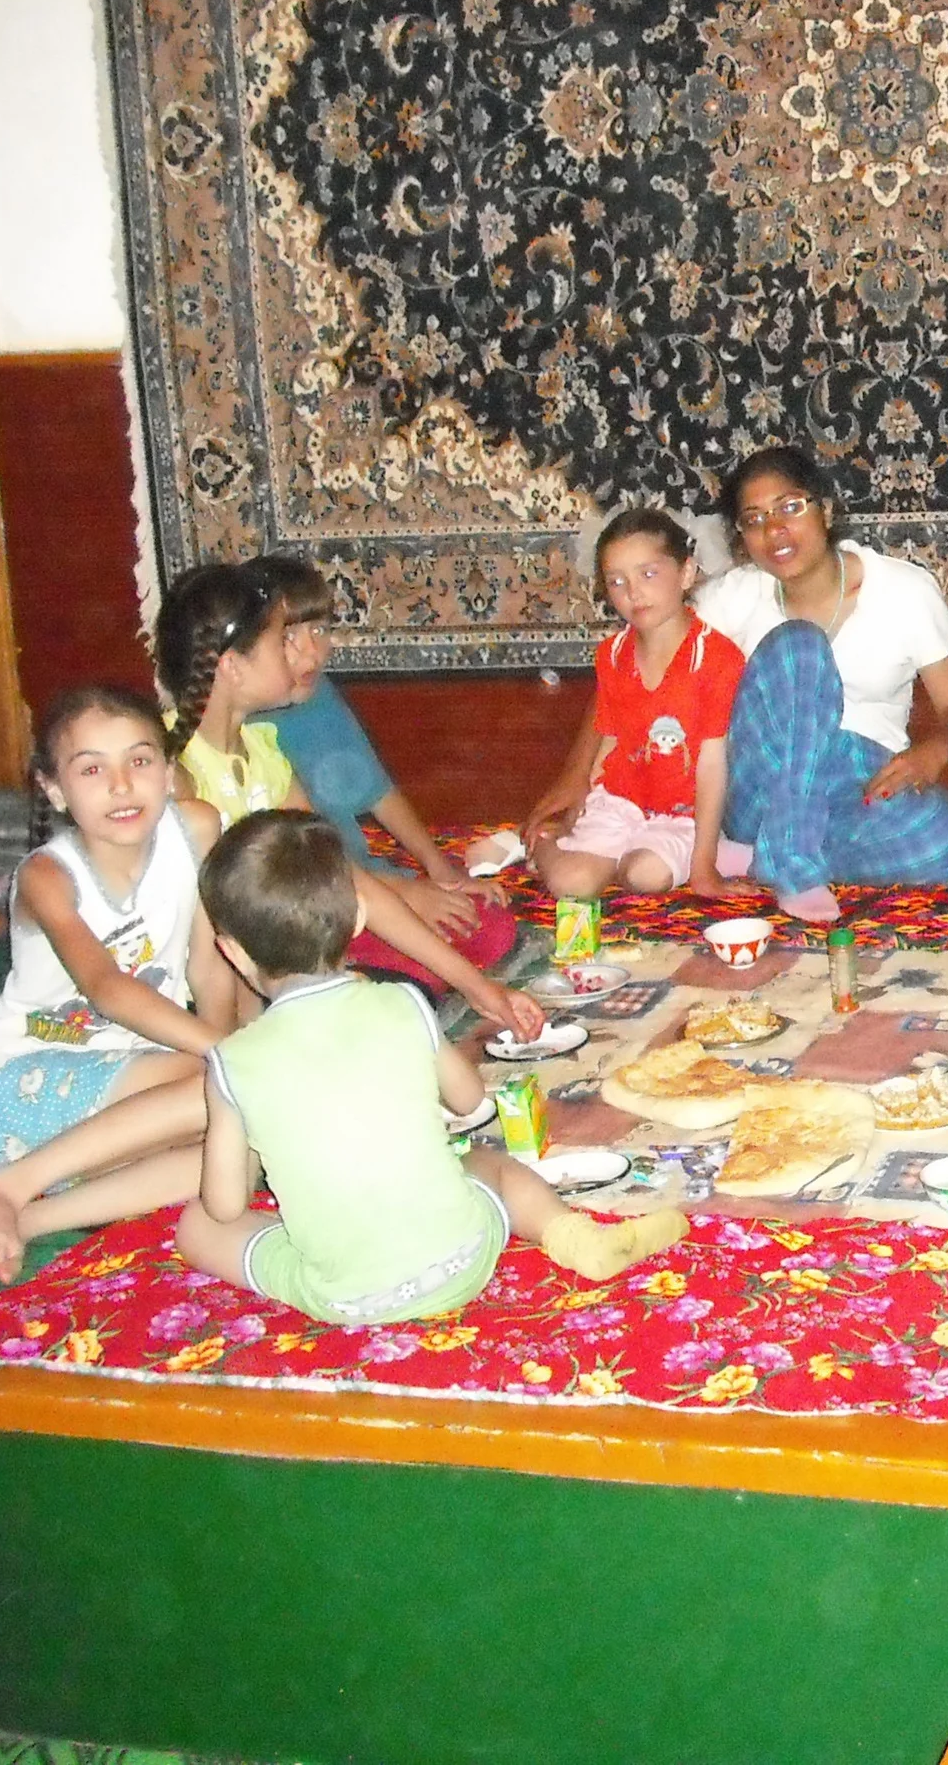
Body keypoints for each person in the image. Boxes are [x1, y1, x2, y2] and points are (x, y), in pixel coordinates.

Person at [170, 812, 688, 1321]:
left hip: (347, 1298)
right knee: (493, 1166)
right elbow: (469, 1101)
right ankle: (576, 1237)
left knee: (197, 1224)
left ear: (233, 953)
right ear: (357, 919)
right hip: (466, 1257)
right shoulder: (401, 1003)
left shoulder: (231, 1062)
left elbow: (225, 1203)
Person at [526, 452, 948, 923]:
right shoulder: (732, 597)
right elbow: (638, 671)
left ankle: (759, 857)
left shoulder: (904, 590)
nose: (775, 530)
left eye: (790, 508)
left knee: (940, 840)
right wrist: (577, 773)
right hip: (759, 781)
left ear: (825, 509)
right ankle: (790, 862)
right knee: (800, 647)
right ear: (741, 536)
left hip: (859, 776)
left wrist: (936, 750)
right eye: (754, 519)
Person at [152, 561, 541, 1029]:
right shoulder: (173, 772)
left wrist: (480, 990)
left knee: (452, 953)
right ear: (233, 667)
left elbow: (342, 876)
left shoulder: (265, 752)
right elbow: (208, 941)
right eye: (282, 642)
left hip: (303, 938)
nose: (297, 654)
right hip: (227, 980)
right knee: (401, 998)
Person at [0, 688, 237, 1197]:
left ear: (168, 769)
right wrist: (231, 1056)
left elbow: (209, 967)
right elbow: (105, 986)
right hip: (30, 1081)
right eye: (92, 770)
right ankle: (16, 1182)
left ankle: (29, 1210)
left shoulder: (198, 829)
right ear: (54, 789)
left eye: (139, 760)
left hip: (146, 1074)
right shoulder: (49, 876)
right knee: (224, 1093)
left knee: (243, 1148)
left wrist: (228, 1055)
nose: (121, 785)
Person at [249, 553, 518, 960]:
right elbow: (307, 864)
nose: (312, 653)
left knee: (488, 926)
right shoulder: (248, 731)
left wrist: (441, 872)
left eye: (319, 630)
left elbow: (375, 789)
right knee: (426, 959)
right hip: (310, 897)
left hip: (365, 879)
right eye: (289, 637)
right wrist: (407, 893)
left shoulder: (316, 695)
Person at [523, 511, 761, 903]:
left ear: (686, 573)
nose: (633, 593)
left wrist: (704, 866)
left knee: (646, 874)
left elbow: (713, 762)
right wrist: (573, 816)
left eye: (648, 574)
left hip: (682, 812)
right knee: (572, 883)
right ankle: (542, 847)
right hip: (619, 801)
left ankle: (632, 859)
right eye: (617, 582)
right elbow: (609, 739)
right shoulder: (612, 655)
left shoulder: (717, 659)